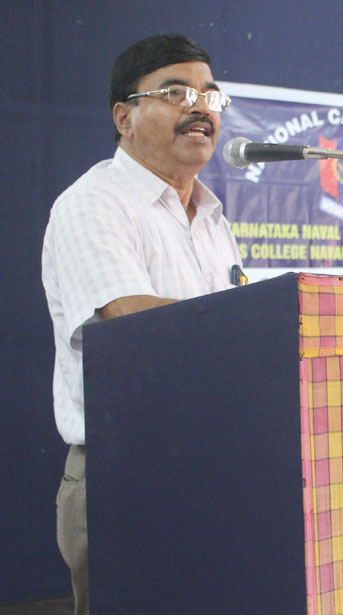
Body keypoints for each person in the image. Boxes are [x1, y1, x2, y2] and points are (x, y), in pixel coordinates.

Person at [41, 34, 242, 615]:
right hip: (128, 471)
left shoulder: (211, 216)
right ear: (124, 117)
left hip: (218, 463)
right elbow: (132, 324)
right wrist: (260, 329)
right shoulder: (93, 204)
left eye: (209, 95)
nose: (200, 108)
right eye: (176, 93)